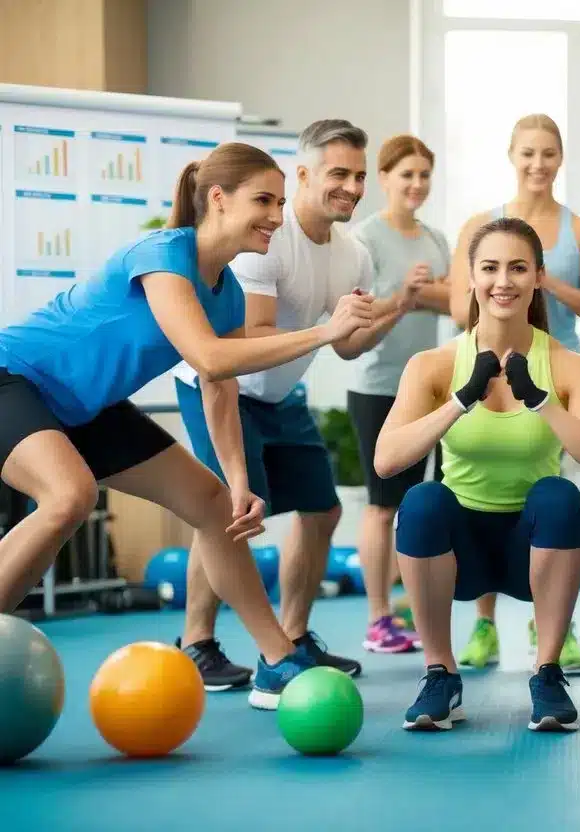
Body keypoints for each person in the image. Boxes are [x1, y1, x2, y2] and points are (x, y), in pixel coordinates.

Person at [0, 143, 377, 709]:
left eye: (280, 203)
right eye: (263, 201)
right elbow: (208, 357)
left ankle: (278, 660)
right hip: (15, 378)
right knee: (70, 496)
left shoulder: (227, 294)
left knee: (214, 504)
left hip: (86, 408)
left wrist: (237, 481)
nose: (277, 217)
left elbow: (219, 389)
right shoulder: (163, 255)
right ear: (218, 198)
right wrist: (326, 331)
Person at [171, 119, 407, 690]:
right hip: (221, 385)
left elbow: (348, 347)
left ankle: (295, 638)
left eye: (359, 176)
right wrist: (330, 331)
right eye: (338, 174)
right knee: (225, 515)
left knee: (322, 510)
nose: (352, 187)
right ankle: (197, 643)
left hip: (279, 393)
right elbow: (252, 336)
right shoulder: (268, 240)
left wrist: (386, 314)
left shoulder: (353, 255)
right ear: (303, 174)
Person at [376, 216, 580, 732]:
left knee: (560, 496)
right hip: (459, 555)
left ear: (539, 277)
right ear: (471, 277)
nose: (503, 281)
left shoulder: (571, 366)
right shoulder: (434, 364)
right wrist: (461, 400)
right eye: (489, 268)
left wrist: (541, 400)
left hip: (531, 550)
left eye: (517, 268)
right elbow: (387, 460)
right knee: (422, 501)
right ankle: (440, 675)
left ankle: (547, 673)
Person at [448, 114, 580, 674]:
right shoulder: (480, 225)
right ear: (511, 155)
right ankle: (484, 624)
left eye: (548, 153)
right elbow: (459, 307)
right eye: (528, 153)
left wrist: (540, 277)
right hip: (487, 361)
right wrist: (508, 285)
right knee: (478, 481)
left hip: (553, 372)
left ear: (561, 158)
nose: (538, 164)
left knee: (550, 490)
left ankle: (554, 626)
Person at [348, 133, 452, 655]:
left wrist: (420, 294)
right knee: (382, 506)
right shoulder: (363, 240)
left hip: (428, 390)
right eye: (406, 174)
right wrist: (406, 296)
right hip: (377, 387)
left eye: (424, 175)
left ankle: (409, 606)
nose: (416, 184)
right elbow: (362, 315)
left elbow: (457, 302)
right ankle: (377, 618)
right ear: (384, 178)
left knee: (419, 504)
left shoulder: (435, 239)